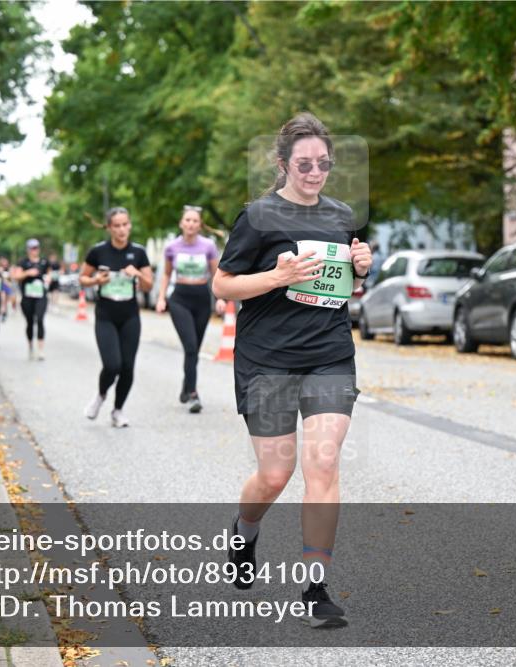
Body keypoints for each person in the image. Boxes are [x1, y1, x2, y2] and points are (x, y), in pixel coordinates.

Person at [212, 113, 372, 629]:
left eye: (323, 164)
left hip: (329, 353)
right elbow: (224, 285)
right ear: (283, 165)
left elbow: (346, 286)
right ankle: (244, 530)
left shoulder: (342, 215)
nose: (314, 172)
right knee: (275, 475)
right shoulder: (257, 217)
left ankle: (314, 588)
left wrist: (362, 266)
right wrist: (275, 276)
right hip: (267, 359)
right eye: (304, 164)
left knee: (322, 464)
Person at [79, 207, 153, 427]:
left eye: (125, 224)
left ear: (129, 225)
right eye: (117, 226)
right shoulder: (98, 252)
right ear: (109, 228)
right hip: (105, 315)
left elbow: (148, 285)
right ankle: (101, 396)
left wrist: (138, 274)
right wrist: (95, 281)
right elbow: (82, 278)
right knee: (112, 365)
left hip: (130, 315)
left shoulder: (138, 253)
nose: (122, 229)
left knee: (128, 367)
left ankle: (118, 410)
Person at [155, 205, 220, 413]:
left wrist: (220, 298)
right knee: (190, 347)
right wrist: (161, 297)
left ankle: (186, 386)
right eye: (187, 220)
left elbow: (217, 275)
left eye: (195, 220)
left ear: (200, 225)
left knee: (194, 349)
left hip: (202, 299)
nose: (191, 224)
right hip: (180, 299)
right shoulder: (172, 247)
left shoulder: (209, 246)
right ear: (181, 223)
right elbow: (166, 274)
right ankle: (193, 394)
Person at [12, 239, 50, 360]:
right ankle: (30, 347)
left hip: (41, 296)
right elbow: (16, 276)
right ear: (28, 249)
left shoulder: (44, 262)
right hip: (27, 297)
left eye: (37, 247)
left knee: (39, 319)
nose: (35, 250)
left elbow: (50, 273)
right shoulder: (23, 262)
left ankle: (41, 350)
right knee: (30, 322)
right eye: (33, 248)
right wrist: (28, 273)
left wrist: (48, 278)